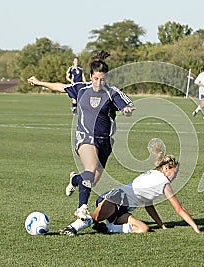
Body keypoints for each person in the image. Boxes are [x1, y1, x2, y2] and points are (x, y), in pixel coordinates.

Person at [27, 50, 136, 220]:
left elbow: (126, 105)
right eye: (95, 79)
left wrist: (127, 111)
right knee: (90, 169)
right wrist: (39, 82)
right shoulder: (81, 88)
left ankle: (74, 179)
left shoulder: (112, 92)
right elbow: (59, 86)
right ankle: (81, 208)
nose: (99, 82)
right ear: (90, 76)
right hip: (84, 137)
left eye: (102, 79)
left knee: (89, 180)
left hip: (105, 141)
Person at [58, 153, 201, 236]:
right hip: (116, 198)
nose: (175, 176)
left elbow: (148, 205)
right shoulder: (163, 181)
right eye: (174, 172)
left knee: (143, 229)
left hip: (124, 210)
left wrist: (161, 225)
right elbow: (179, 209)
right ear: (165, 168)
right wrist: (195, 227)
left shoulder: (154, 175)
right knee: (94, 217)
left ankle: (108, 228)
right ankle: (72, 228)